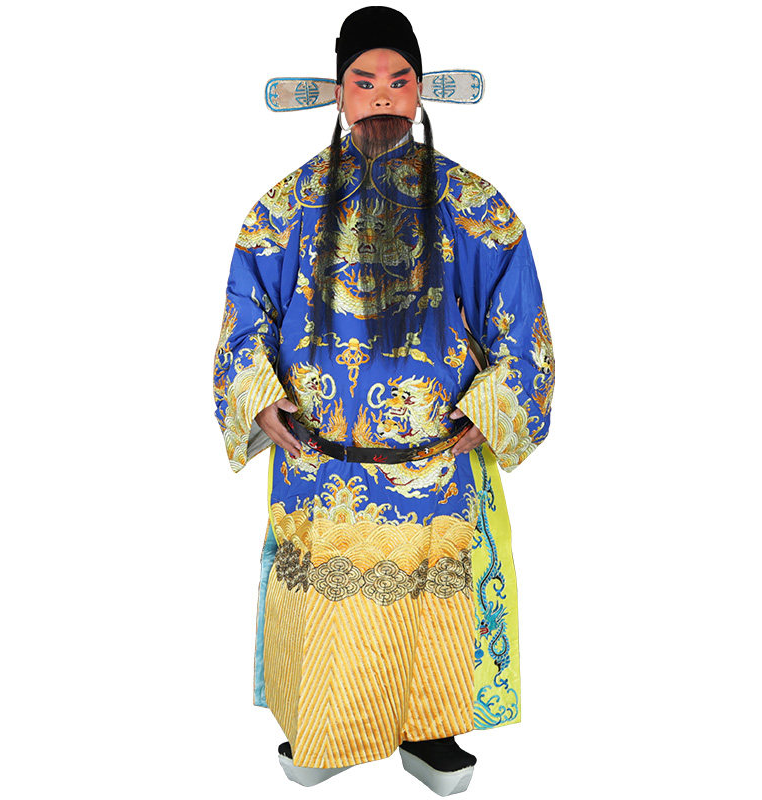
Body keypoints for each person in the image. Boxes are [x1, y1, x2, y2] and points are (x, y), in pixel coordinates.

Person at [212, 6, 554, 796]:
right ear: (336, 92)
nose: (382, 97)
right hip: (319, 461)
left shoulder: (474, 205)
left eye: (399, 81)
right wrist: (256, 399)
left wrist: (497, 404)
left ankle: (431, 734)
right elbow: (243, 317)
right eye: (364, 81)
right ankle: (322, 732)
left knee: (432, 612)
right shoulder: (285, 207)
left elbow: (521, 319)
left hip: (435, 462)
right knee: (328, 618)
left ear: (422, 89)